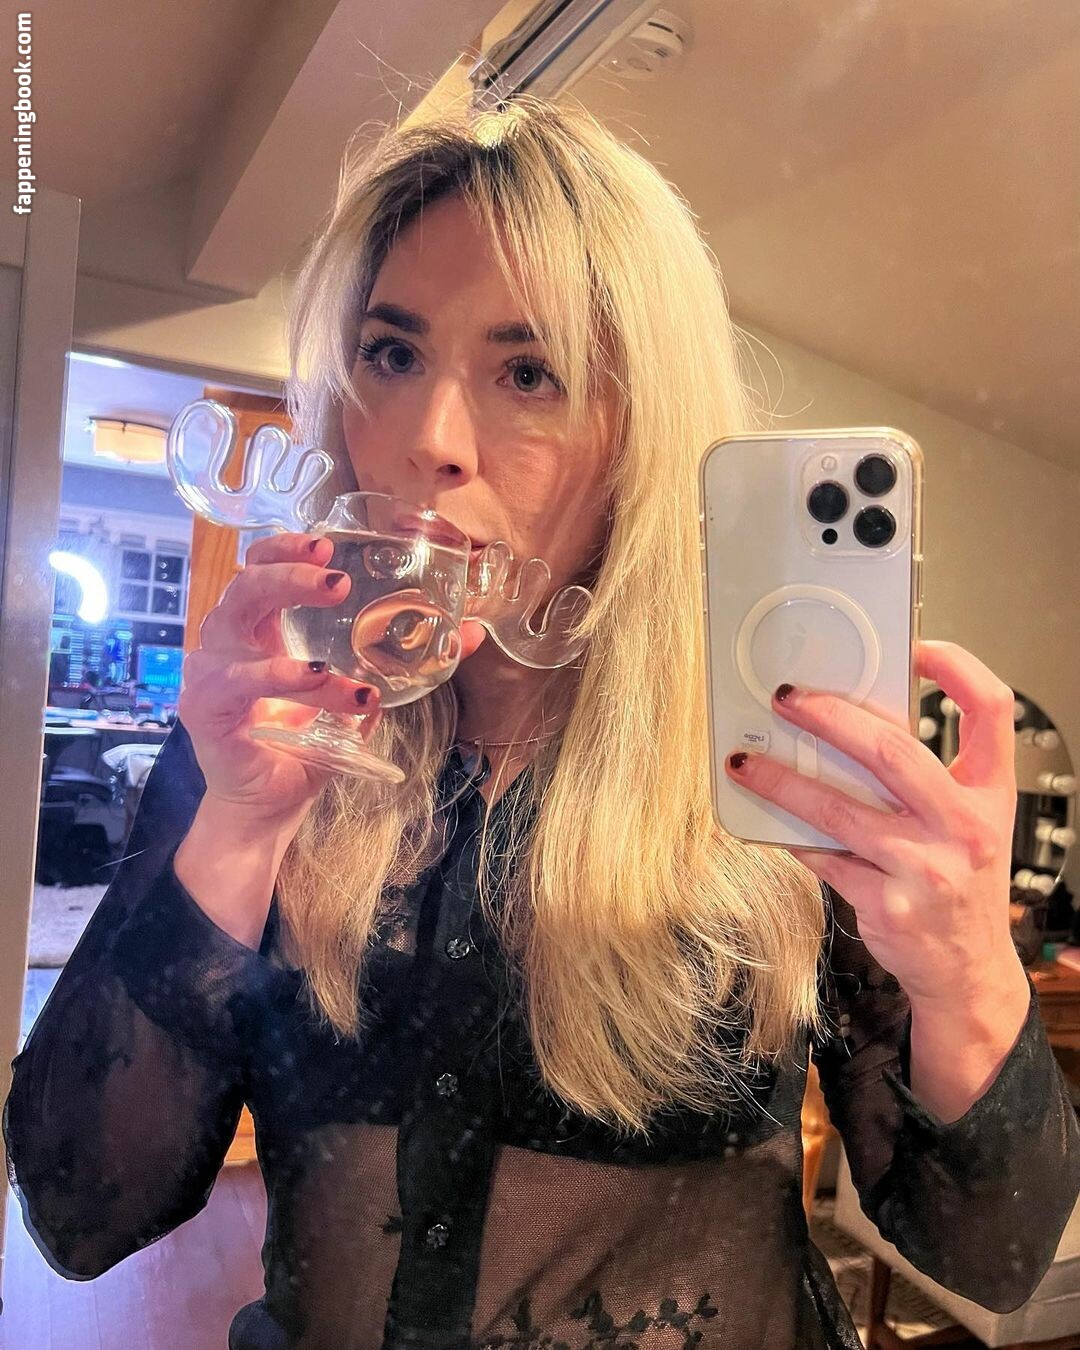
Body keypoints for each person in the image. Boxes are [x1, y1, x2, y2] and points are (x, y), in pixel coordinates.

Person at [4, 96, 1078, 1350]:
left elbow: (991, 1255)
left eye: (529, 372)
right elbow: (77, 1215)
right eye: (391, 354)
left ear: (638, 434)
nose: (428, 440)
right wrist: (237, 832)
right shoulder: (265, 746)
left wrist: (967, 970)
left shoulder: (775, 763)